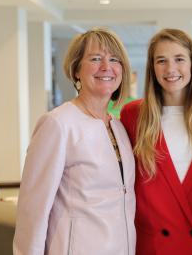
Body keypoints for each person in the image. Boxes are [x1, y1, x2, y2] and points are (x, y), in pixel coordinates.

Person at [13, 27, 136, 255]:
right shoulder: (58, 124)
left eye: (114, 59)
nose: (106, 67)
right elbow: (33, 209)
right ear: (76, 69)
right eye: (95, 58)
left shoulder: (118, 126)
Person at [120, 28, 192, 255]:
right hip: (153, 246)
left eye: (179, 59)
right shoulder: (133, 115)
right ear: (152, 68)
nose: (170, 69)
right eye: (161, 61)